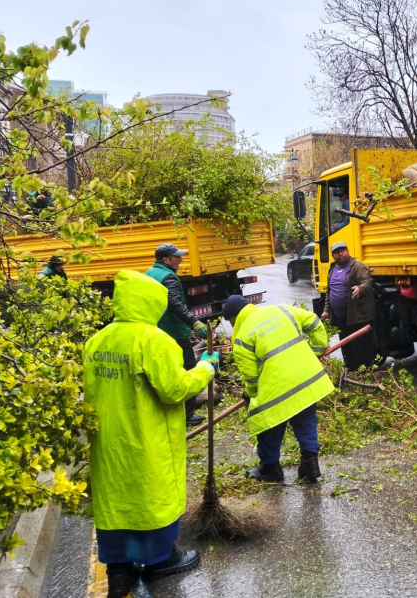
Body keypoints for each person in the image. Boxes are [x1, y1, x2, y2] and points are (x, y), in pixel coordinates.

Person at [83, 270, 220, 598]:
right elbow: (175, 390)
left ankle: (119, 572)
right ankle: (161, 560)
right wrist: (206, 367)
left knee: (117, 499)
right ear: (151, 304)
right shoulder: (155, 341)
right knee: (152, 496)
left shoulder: (97, 340)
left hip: (108, 439)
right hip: (147, 436)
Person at [221, 294, 334, 483]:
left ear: (235, 317)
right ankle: (310, 464)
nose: (233, 326)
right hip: (305, 380)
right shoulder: (281, 309)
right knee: (306, 422)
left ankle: (270, 469)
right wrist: (317, 350)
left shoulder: (241, 338)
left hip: (276, 389)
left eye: (231, 322)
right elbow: (314, 322)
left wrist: (249, 395)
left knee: (269, 426)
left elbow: (251, 378)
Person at [145, 244, 209, 427]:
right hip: (174, 331)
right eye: (177, 257)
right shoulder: (169, 277)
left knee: (164, 369)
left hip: (157, 329)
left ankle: (164, 408)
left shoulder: (149, 274)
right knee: (188, 368)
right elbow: (174, 303)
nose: (180, 259)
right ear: (166, 260)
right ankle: (187, 415)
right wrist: (194, 322)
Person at [320, 242, 378, 370]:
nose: (340, 254)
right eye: (337, 252)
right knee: (346, 346)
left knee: (359, 348)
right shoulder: (332, 269)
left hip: (357, 316)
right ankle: (350, 371)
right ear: (332, 255)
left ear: (347, 250)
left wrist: (360, 288)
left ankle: (362, 373)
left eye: (343, 250)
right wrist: (326, 310)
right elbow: (329, 292)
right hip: (341, 318)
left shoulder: (357, 266)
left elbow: (367, 282)